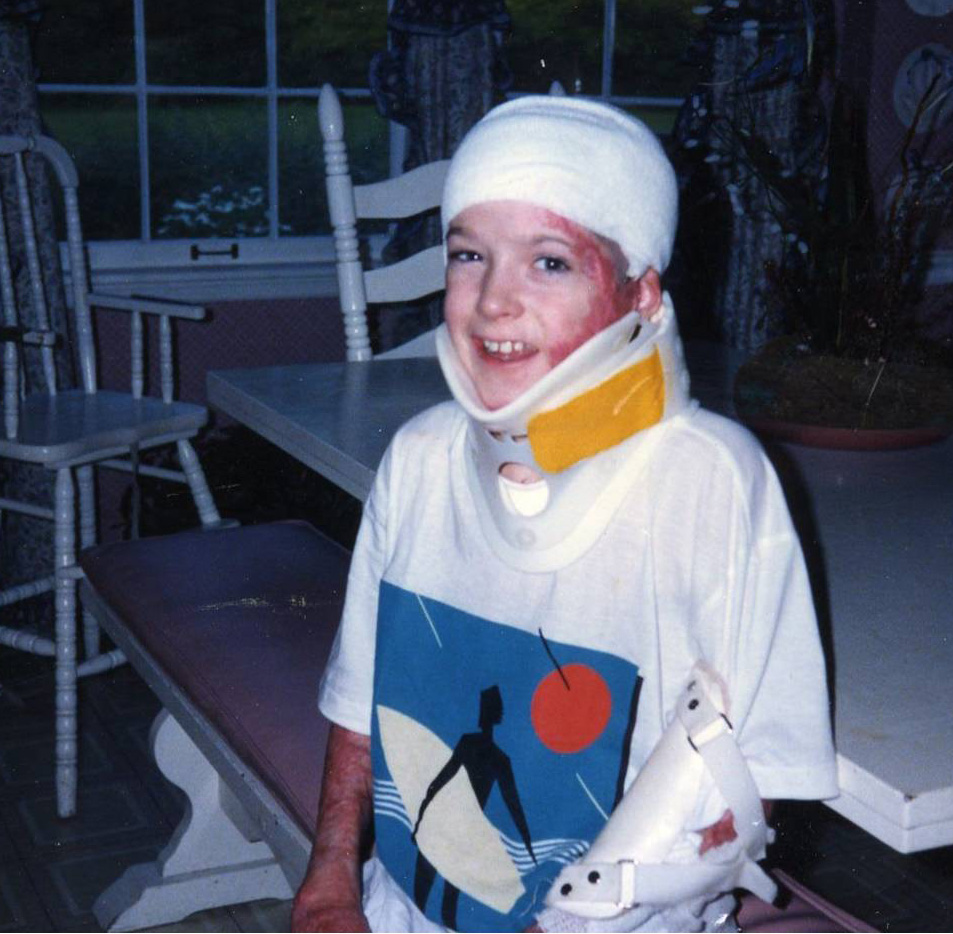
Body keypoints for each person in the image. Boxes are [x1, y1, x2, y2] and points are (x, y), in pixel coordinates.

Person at [291, 95, 838, 934]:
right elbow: (360, 695)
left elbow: (749, 775)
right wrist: (330, 879)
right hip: (401, 905)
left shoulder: (709, 481)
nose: (492, 301)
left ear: (640, 295)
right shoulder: (421, 457)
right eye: (469, 255)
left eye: (549, 262)